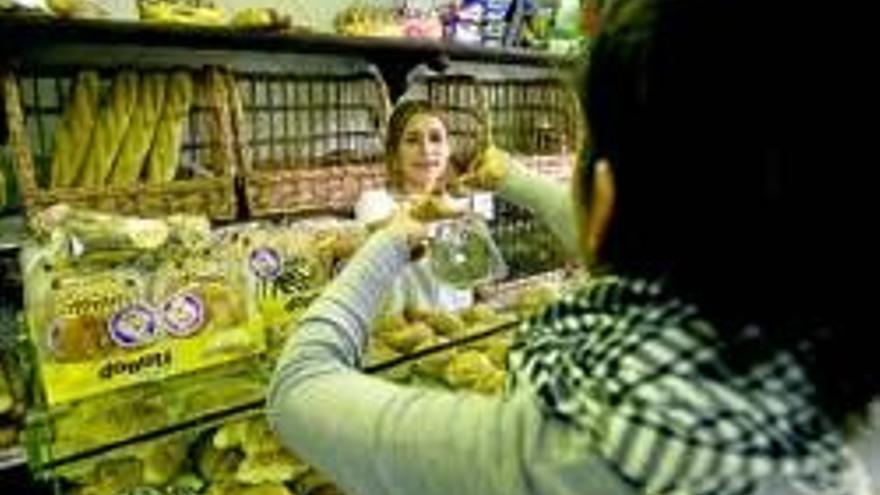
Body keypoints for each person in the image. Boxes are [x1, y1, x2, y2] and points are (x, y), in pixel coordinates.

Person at [268, 0, 878, 494]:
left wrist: (393, 243)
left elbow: (300, 385)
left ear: (605, 203)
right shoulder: (842, 402)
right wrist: (512, 179)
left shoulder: (562, 455)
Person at [354, 99, 575, 314]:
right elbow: (383, 239)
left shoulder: (461, 205)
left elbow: (482, 283)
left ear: (448, 150)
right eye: (412, 140)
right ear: (394, 155)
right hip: (399, 339)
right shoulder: (374, 201)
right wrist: (428, 215)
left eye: (436, 139)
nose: (426, 149)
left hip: (456, 332)